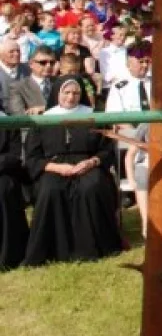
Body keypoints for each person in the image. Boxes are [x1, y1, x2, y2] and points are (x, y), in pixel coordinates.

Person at [24, 78, 124, 266]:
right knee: (50, 189)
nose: (71, 97)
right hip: (54, 167)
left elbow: (107, 150)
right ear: (57, 94)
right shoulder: (44, 119)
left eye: (76, 93)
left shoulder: (94, 116)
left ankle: (94, 247)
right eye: (66, 93)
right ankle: (53, 249)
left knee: (91, 187)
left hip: (88, 164)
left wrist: (92, 161)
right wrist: (57, 168)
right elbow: (32, 157)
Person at [0, 96, 29, 269]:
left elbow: (15, 156)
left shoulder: (8, 121)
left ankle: (7, 255)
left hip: (2, 173)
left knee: (4, 189)